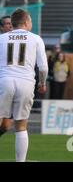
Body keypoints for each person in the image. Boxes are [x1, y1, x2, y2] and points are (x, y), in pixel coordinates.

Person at [0, 9, 48, 161]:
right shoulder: (36, 39)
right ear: (27, 22)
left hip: (5, 80)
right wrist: (42, 83)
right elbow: (43, 67)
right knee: (21, 126)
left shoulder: (2, 38)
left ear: (12, 23)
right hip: (26, 82)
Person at [0, 15, 13, 138]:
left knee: (6, 126)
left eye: (11, 23)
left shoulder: (21, 41)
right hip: (1, 83)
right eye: (7, 24)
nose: (10, 26)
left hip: (14, 85)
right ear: (1, 27)